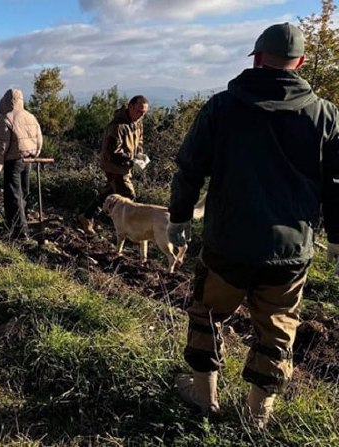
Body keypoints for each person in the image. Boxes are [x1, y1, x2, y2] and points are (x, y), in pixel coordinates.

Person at [167, 23, 339, 429]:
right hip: (290, 252)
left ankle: (203, 398)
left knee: (207, 315)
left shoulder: (222, 107)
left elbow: (190, 168)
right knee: (277, 330)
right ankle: (257, 415)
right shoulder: (326, 115)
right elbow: (336, 183)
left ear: (258, 58)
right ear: (298, 63)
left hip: (228, 244)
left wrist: (178, 217)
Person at [79, 95, 149, 235]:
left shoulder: (137, 122)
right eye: (139, 111)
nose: (141, 115)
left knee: (108, 192)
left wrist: (140, 155)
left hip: (125, 165)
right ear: (130, 107)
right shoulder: (117, 126)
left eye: (144, 113)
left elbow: (139, 141)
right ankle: (126, 229)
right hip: (114, 165)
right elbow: (113, 152)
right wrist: (131, 161)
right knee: (128, 195)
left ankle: (87, 216)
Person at [0, 88, 42, 239]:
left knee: (13, 194)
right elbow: (39, 138)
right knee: (24, 192)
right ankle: (23, 221)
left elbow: (1, 146)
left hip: (13, 161)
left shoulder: (6, 118)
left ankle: (20, 231)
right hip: (28, 160)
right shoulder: (30, 116)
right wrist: (36, 153)